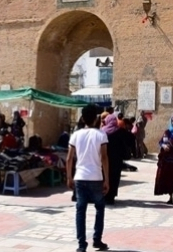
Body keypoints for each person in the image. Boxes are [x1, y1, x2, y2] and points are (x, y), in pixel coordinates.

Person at [67, 104, 110, 252]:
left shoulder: (76, 135)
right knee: (99, 208)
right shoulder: (101, 135)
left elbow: (69, 158)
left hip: (80, 177)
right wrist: (107, 179)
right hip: (96, 177)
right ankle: (97, 239)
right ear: (96, 118)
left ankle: (81, 244)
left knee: (80, 210)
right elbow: (104, 157)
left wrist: (69, 177)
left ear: (83, 118)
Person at [102, 112, 133, 205]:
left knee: (104, 177)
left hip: (104, 159)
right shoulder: (120, 131)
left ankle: (104, 195)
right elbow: (131, 139)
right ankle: (111, 197)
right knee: (114, 178)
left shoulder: (102, 132)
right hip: (117, 160)